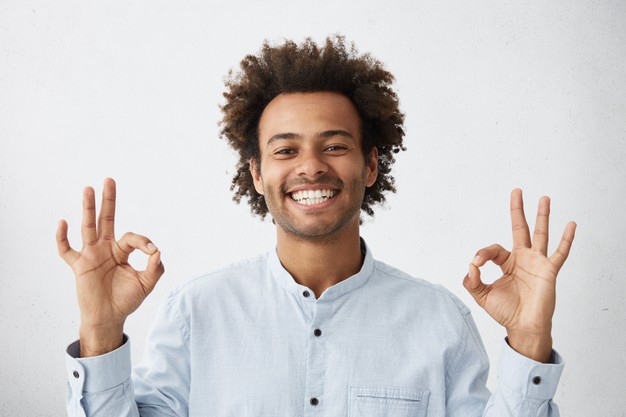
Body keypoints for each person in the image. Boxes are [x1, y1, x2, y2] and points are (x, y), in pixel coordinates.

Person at [58, 36, 576, 417]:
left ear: (371, 165)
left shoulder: (440, 320)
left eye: (334, 145)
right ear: (258, 174)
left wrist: (529, 339)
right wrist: (100, 333)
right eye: (286, 150)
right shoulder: (196, 313)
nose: (311, 168)